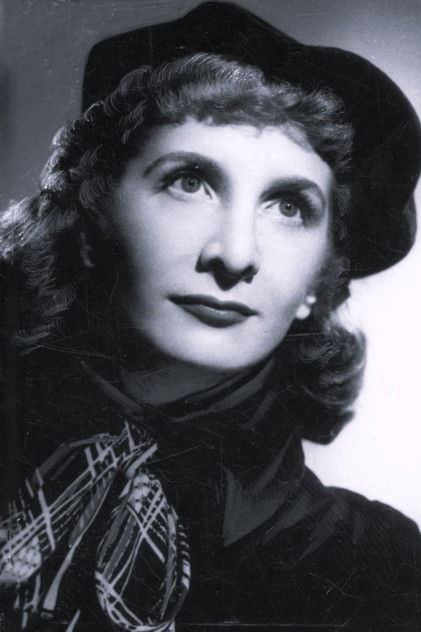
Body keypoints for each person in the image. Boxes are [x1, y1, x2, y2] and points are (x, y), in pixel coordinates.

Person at [0, 2, 420, 630]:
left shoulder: (373, 568)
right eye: (191, 182)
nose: (234, 254)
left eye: (289, 207)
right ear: (94, 216)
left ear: (320, 279)